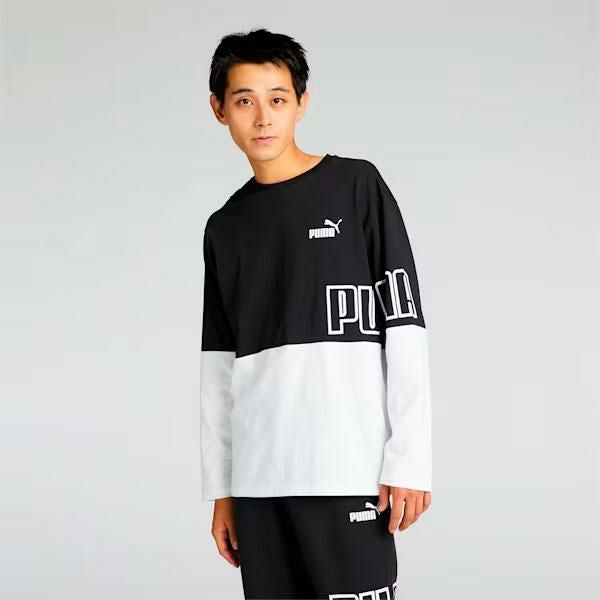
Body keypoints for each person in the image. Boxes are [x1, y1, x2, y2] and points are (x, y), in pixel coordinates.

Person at [200, 27, 433, 600]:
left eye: (277, 99)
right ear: (219, 109)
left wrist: (410, 460)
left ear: (301, 103)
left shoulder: (356, 185)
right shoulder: (224, 227)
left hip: (348, 467)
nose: (263, 118)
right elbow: (218, 368)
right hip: (259, 479)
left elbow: (405, 326)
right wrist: (223, 489)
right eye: (244, 101)